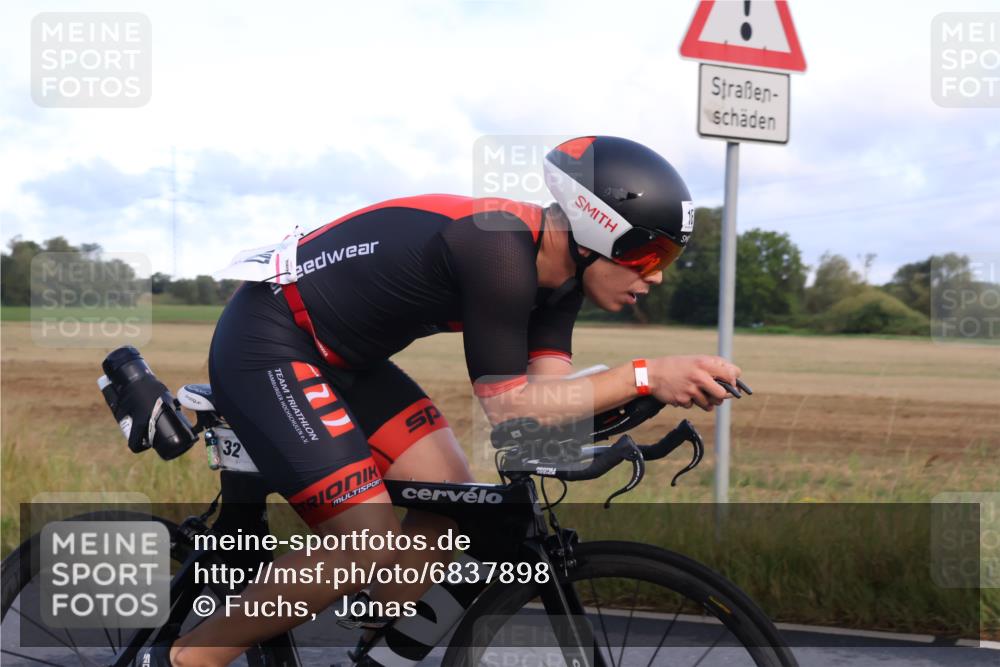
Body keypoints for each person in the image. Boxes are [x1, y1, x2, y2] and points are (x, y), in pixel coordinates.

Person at [150, 136, 742, 667]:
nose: (656, 277)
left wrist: (631, 408)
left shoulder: (560, 282)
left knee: (451, 500)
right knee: (367, 538)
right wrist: (645, 375)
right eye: (649, 256)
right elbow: (512, 408)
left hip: (344, 361)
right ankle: (190, 658)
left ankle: (369, 644)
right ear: (597, 232)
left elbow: (546, 407)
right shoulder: (499, 250)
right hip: (269, 343)